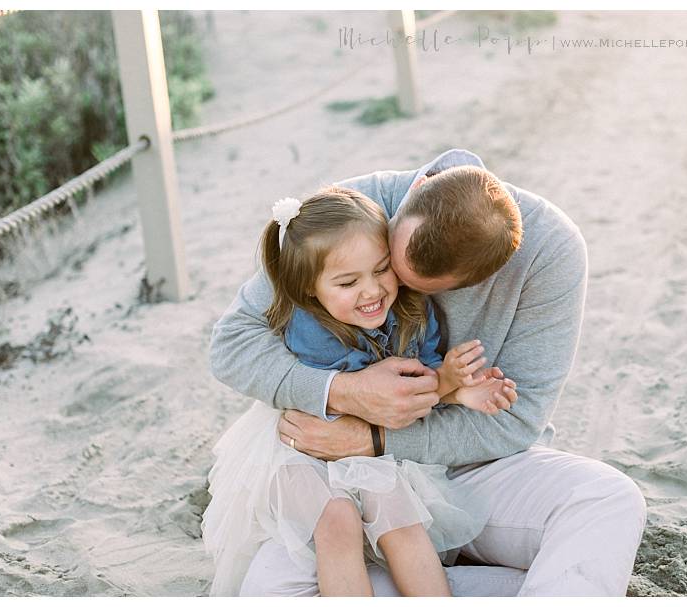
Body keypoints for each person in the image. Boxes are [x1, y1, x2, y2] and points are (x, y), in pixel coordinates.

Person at [209, 149, 647, 596]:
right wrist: (346, 392)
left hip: (468, 471)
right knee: (269, 589)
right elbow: (232, 346)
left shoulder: (552, 252)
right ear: (413, 194)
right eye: (391, 265)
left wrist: (375, 438)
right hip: (334, 474)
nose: (383, 293)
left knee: (608, 499)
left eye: (410, 286)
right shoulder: (352, 212)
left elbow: (516, 422)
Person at [201, 187, 519, 596]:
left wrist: (454, 386)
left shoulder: (413, 310)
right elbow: (366, 403)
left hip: (369, 449)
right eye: (348, 281)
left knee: (400, 516)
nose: (371, 291)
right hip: (299, 447)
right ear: (309, 288)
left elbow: (414, 386)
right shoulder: (311, 330)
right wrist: (443, 389)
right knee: (337, 521)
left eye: (382, 269)